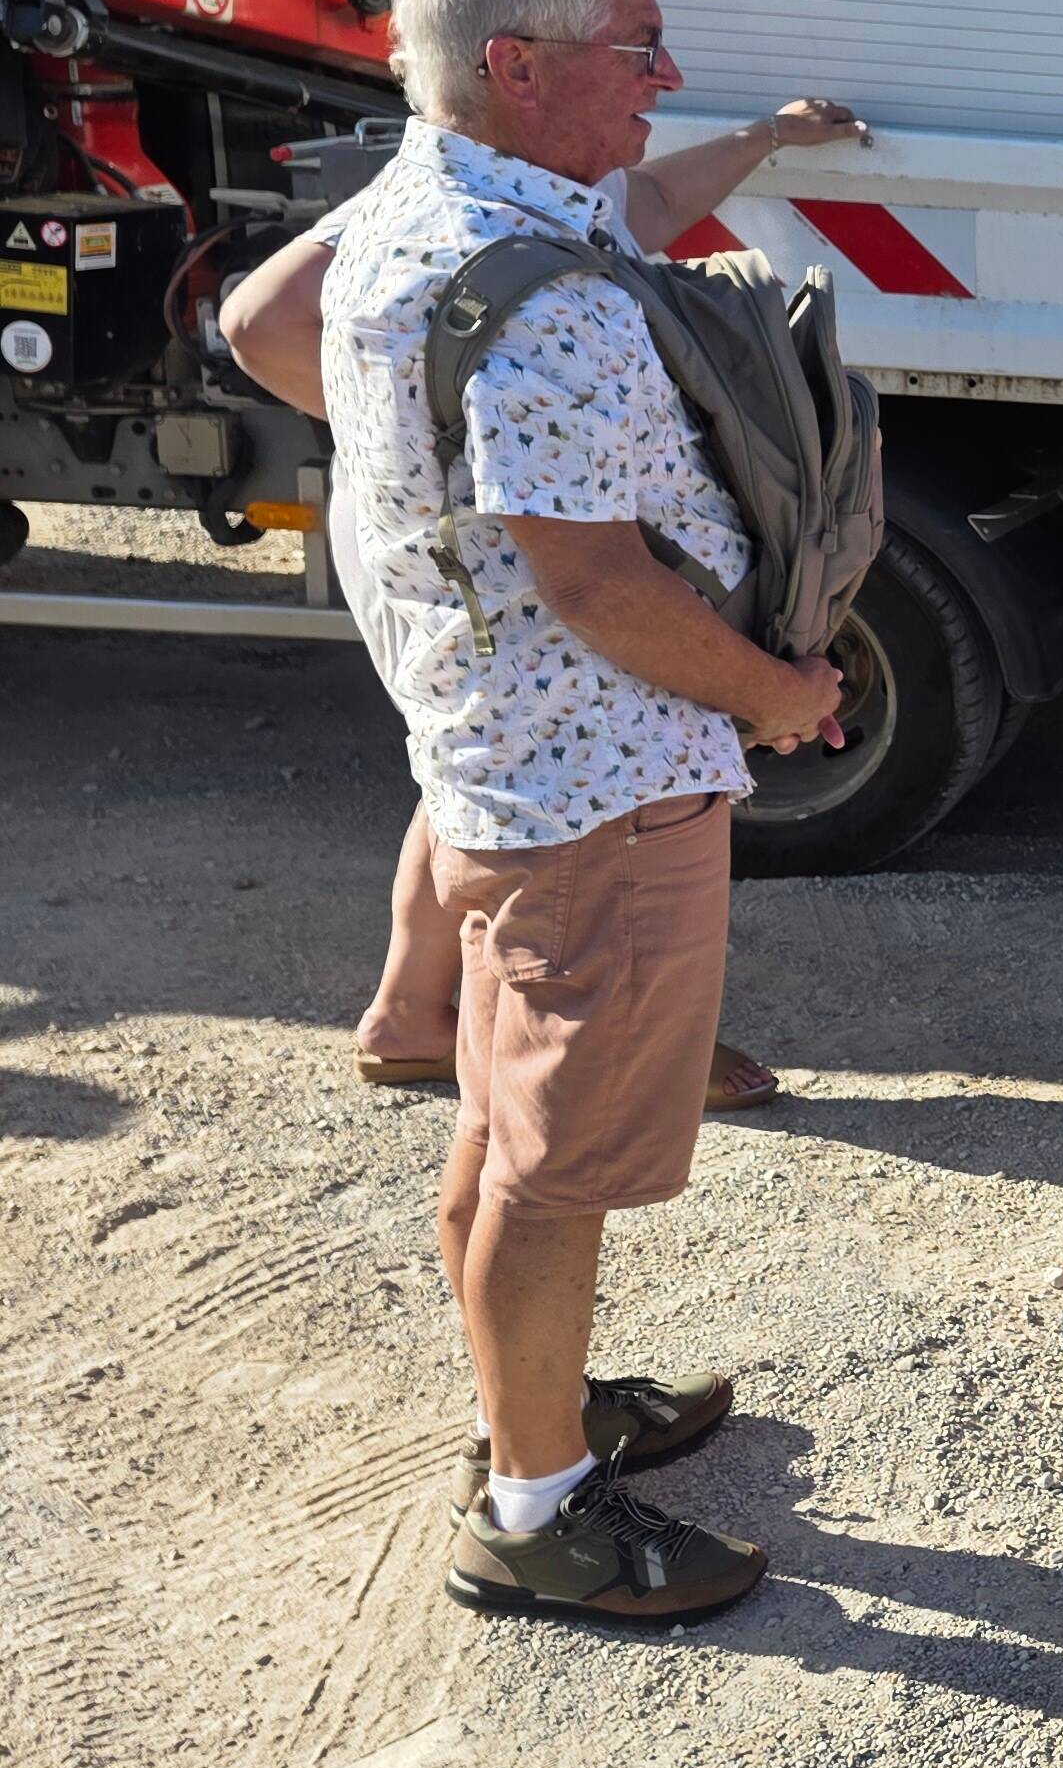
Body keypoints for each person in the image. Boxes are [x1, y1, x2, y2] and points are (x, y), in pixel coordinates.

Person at [316, 0, 845, 1628]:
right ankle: (535, 1507)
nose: (666, 72)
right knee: (553, 1174)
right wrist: (773, 692)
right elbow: (596, 575)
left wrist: (415, 516)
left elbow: (255, 332)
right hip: (603, 792)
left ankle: (528, 1411)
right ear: (517, 60)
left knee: (499, 1116)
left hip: (492, 764)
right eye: (635, 46)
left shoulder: (414, 211)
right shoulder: (532, 288)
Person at [223, 95, 871, 1109]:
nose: (653, 83)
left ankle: (411, 1011)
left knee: (465, 749)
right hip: (471, 536)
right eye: (634, 54)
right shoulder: (467, 206)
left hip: (442, 528)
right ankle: (618, 1028)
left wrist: (767, 137)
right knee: (588, 752)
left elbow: (645, 200)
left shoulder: (475, 191)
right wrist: (434, 441)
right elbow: (254, 323)